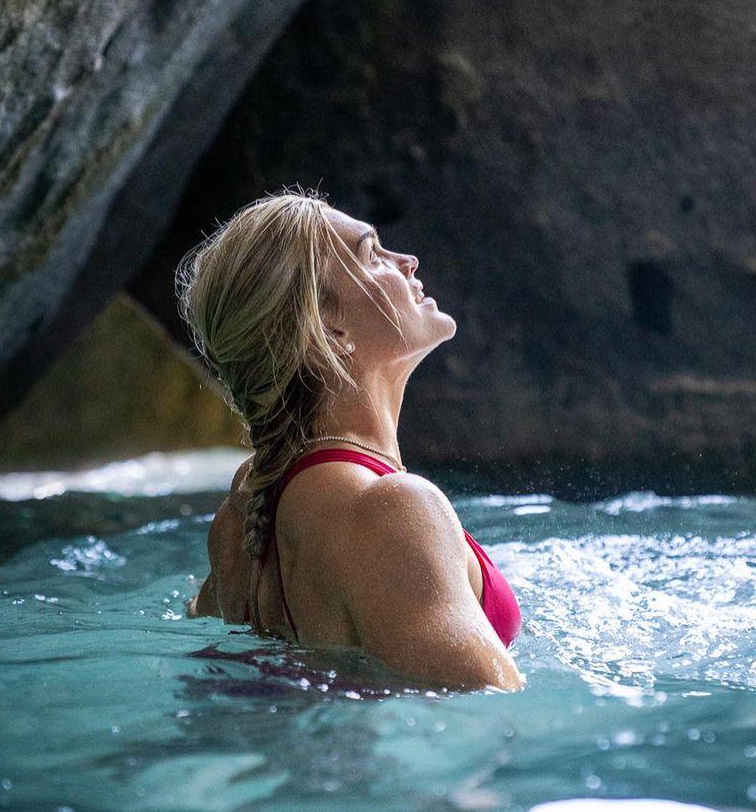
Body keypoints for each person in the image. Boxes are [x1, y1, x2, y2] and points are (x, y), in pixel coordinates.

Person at [175, 187, 525, 694]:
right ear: (328, 329)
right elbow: (494, 709)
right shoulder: (392, 511)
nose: (407, 261)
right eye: (371, 254)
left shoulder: (245, 511)